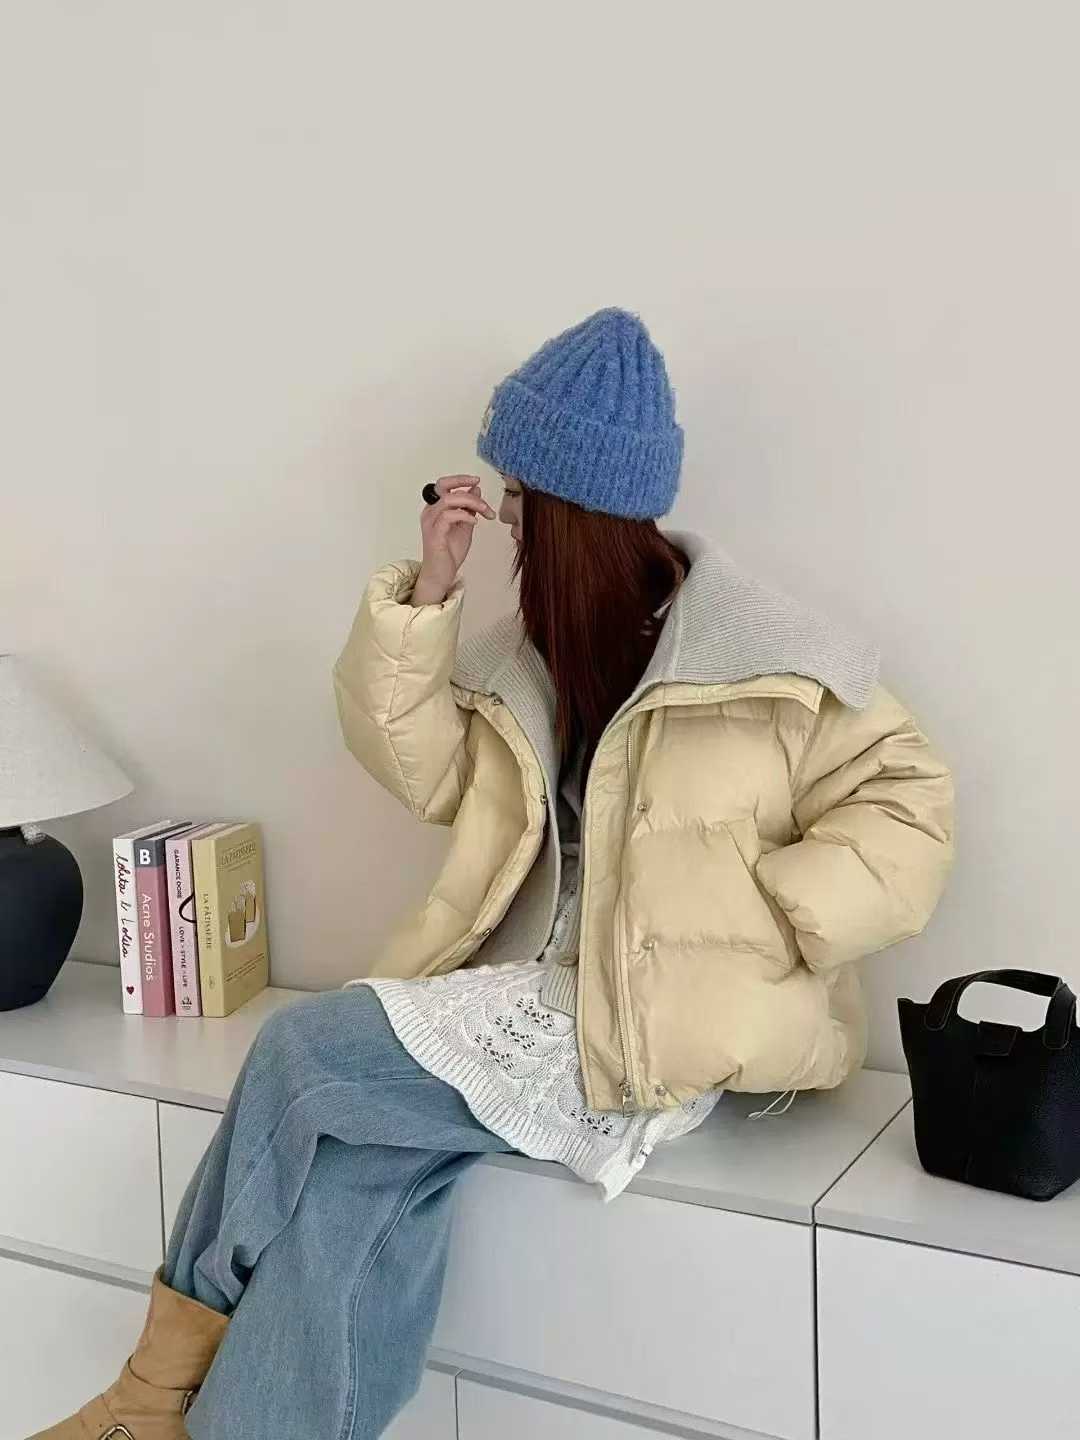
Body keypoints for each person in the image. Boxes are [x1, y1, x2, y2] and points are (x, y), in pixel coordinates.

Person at [33, 307, 955, 1440]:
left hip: (652, 1029)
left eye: (519, 496)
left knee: (301, 1050)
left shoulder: (763, 659)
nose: (505, 517)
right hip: (531, 995)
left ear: (573, 507)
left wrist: (760, 917)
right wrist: (431, 594)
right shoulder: (540, 656)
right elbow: (423, 770)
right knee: (354, 1179)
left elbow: (909, 802)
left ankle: (149, 1393)